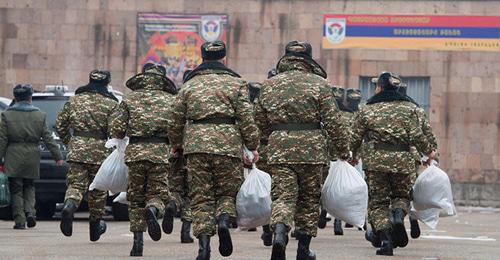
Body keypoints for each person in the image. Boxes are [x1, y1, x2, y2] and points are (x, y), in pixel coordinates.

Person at [255, 41, 350, 260]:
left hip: (279, 150)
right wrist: (343, 149)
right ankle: (303, 250)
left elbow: (258, 121)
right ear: (308, 58)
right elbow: (333, 122)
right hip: (312, 150)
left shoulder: (269, 85)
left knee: (283, 197)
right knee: (308, 200)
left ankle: (279, 232)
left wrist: (260, 145)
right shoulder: (319, 84)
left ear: (285, 58)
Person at [168, 40, 260, 260]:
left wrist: (176, 144)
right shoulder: (236, 84)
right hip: (227, 145)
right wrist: (252, 145)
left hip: (196, 146)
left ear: (202, 57)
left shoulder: (189, 85)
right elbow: (246, 118)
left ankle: (204, 246)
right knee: (227, 193)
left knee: (201, 198)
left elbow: (175, 119)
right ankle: (223, 220)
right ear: (223, 58)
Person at [350, 71, 436, 256]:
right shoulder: (409, 109)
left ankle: (386, 241)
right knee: (402, 196)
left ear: (380, 87)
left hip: (376, 163)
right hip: (402, 161)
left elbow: (355, 136)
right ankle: (398, 215)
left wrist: (351, 155)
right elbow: (417, 135)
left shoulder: (367, 108)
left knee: (378, 203)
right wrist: (429, 152)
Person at [110, 63, 177, 256]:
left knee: (136, 198)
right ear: (161, 81)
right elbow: (177, 128)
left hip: (136, 153)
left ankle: (137, 242)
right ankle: (154, 209)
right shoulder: (170, 100)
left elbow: (117, 130)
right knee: (158, 193)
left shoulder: (129, 100)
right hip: (160, 154)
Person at [56, 70, 119, 242]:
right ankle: (95, 226)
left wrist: (71, 142)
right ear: (107, 83)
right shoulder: (111, 103)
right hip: (100, 151)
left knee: (75, 185)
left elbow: (60, 125)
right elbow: (115, 131)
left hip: (77, 148)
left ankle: (69, 206)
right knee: (98, 189)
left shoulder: (74, 100)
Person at [0, 84, 64, 229]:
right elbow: (48, 138)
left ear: (15, 98)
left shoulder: (6, 115)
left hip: (13, 154)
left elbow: (2, 139)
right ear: (30, 98)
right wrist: (58, 156)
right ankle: (30, 213)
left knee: (16, 189)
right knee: (29, 186)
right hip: (32, 155)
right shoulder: (39, 115)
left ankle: (20, 220)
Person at [168, 69, 194, 244]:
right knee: (192, 191)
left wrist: (175, 145)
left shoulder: (176, 98)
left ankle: (171, 205)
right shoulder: (199, 95)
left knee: (177, 188)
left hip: (176, 151)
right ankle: (186, 232)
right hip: (194, 149)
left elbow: (172, 123)